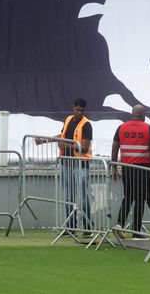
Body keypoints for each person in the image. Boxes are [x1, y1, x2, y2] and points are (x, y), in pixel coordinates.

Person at [35, 98, 93, 230]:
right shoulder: (68, 120)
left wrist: (65, 144)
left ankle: (88, 227)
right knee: (69, 196)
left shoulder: (87, 125)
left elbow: (84, 148)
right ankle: (71, 226)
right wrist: (44, 140)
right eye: (77, 109)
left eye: (81, 111)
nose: (79, 112)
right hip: (66, 163)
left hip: (80, 165)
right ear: (73, 108)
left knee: (83, 197)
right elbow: (62, 135)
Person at [111, 105, 150, 237]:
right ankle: (136, 231)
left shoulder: (121, 127)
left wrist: (114, 167)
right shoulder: (148, 128)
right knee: (140, 199)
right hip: (143, 168)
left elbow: (115, 147)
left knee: (128, 197)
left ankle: (119, 224)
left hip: (127, 168)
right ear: (143, 114)